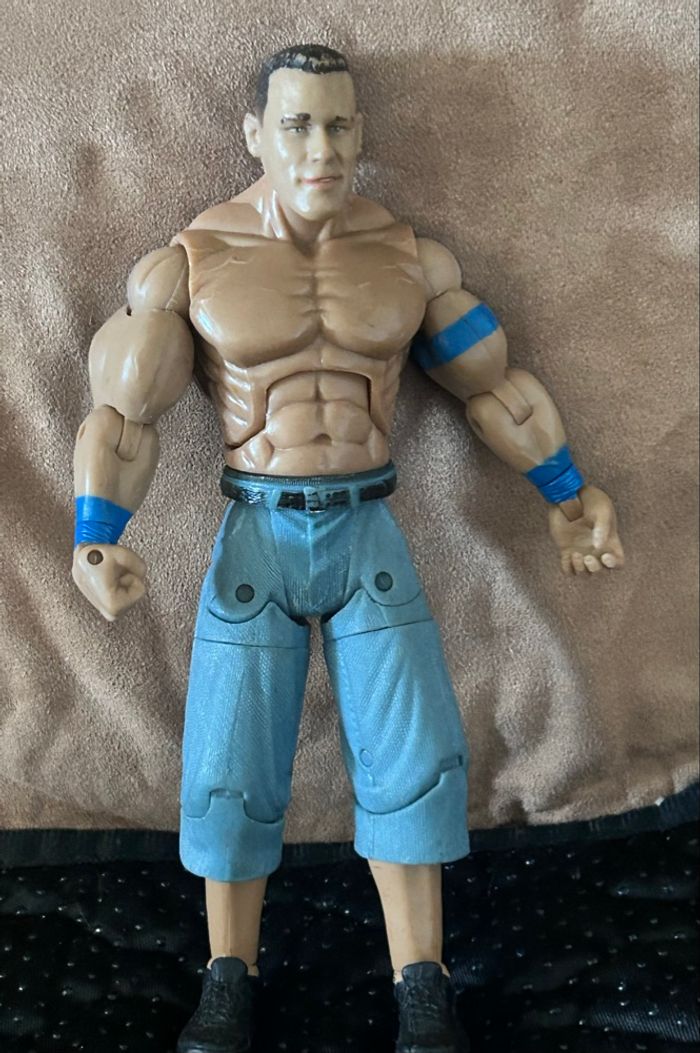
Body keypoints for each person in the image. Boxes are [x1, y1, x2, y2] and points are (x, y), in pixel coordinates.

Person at [72, 43, 624, 1053]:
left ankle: (423, 981)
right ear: (255, 134)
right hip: (255, 531)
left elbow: (493, 385)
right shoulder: (189, 262)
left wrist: (567, 492)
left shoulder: (408, 257)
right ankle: (227, 977)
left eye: (337, 124)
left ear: (361, 132)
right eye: (296, 125)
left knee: (415, 757)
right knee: (228, 762)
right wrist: (96, 534)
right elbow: (123, 412)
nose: (320, 148)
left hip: (369, 528)